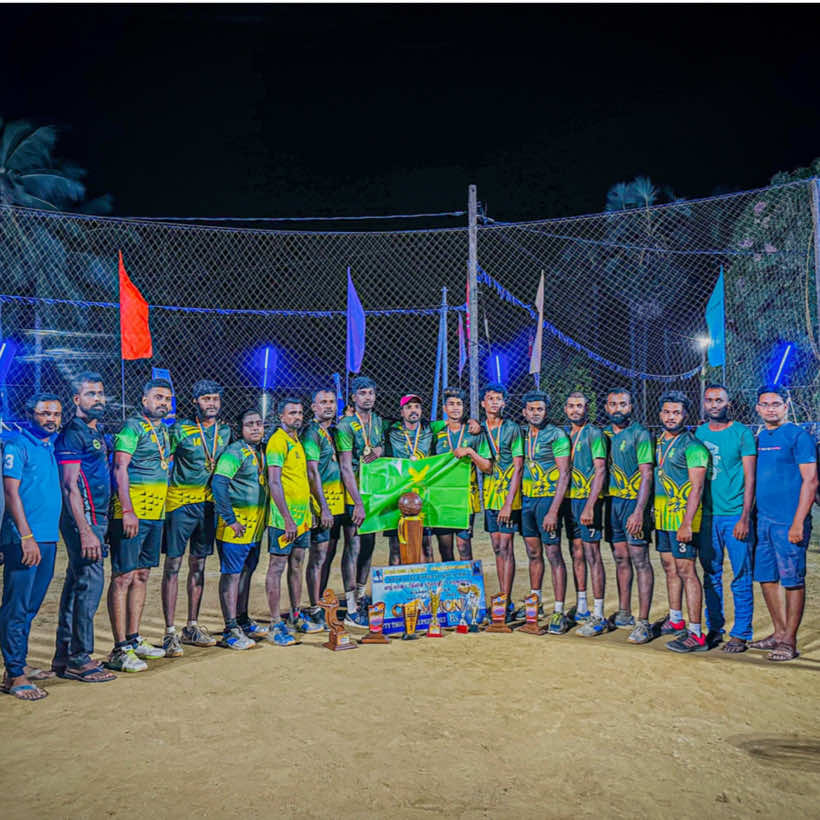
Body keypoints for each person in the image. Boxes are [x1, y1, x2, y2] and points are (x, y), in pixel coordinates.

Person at [105, 379, 173, 672]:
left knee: (142, 574)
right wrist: (127, 510)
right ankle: (119, 648)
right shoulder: (131, 428)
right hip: (132, 513)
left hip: (155, 513)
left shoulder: (163, 430)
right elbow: (119, 468)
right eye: (158, 397)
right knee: (123, 576)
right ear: (144, 400)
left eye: (167, 399)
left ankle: (133, 639)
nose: (163, 403)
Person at [52, 372, 116, 682]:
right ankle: (80, 658)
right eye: (91, 394)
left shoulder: (96, 431)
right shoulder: (73, 434)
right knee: (89, 584)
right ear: (77, 399)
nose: (98, 399)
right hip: (85, 519)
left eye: (101, 393)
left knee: (78, 582)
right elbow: (69, 486)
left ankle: (64, 655)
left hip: (96, 516)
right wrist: (87, 529)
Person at [161, 380, 231, 656]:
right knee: (173, 566)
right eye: (205, 399)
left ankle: (191, 626)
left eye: (215, 398)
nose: (211, 403)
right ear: (195, 402)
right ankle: (169, 632)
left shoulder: (225, 431)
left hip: (208, 506)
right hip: (180, 504)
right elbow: (163, 459)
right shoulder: (180, 429)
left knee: (198, 565)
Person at [0, 394, 62, 701]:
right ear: (30, 414)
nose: (51, 419)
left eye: (56, 414)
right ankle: (15, 675)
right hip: (24, 540)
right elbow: (11, 493)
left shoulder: (49, 445)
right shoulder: (17, 445)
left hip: (47, 538)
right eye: (44, 413)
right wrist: (26, 536)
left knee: (30, 607)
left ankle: (17, 665)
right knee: (16, 607)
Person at [750, 385, 818, 661]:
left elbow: (810, 481)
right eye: (765, 404)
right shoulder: (760, 437)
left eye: (776, 404)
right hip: (763, 521)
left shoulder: (798, 436)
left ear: (785, 406)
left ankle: (790, 640)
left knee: (791, 580)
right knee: (766, 577)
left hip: (788, 522)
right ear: (758, 408)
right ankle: (778, 632)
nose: (770, 409)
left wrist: (798, 522)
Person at [696, 384, 756, 652]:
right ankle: (714, 628)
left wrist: (745, 516)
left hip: (734, 515)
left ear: (728, 403)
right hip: (708, 516)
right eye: (709, 400)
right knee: (711, 575)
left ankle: (741, 633)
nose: (714, 404)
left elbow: (750, 478)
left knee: (741, 575)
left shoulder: (742, 433)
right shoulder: (699, 433)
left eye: (719, 400)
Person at [653, 391, 710, 653]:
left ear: (685, 415)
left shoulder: (693, 446)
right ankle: (676, 619)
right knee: (669, 567)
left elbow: (697, 488)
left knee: (687, 571)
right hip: (663, 517)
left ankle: (696, 633)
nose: (671, 417)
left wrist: (687, 523)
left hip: (682, 519)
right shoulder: (659, 441)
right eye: (667, 412)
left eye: (676, 412)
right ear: (660, 413)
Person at [212, 408, 269, 650]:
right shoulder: (234, 452)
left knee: (246, 572)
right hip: (235, 528)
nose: (256, 428)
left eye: (259, 423)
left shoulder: (261, 451)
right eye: (250, 424)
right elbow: (219, 484)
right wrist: (230, 518)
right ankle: (230, 629)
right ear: (240, 429)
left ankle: (243, 620)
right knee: (232, 575)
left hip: (254, 528)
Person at [602, 388, 655, 643]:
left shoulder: (640, 434)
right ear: (606, 407)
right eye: (613, 404)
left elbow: (647, 473)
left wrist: (639, 511)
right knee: (621, 557)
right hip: (613, 503)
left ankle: (643, 622)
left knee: (640, 559)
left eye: (623, 404)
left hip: (633, 504)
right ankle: (624, 613)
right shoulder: (603, 435)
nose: (618, 408)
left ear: (631, 407)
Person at [518, 392, 571, 633]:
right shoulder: (523, 434)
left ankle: (559, 611)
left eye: (540, 409)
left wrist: (553, 511)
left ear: (546, 411)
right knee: (533, 552)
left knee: (553, 554)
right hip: (527, 500)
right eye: (531, 409)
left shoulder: (556, 435)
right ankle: (535, 603)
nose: (536, 413)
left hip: (547, 501)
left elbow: (564, 473)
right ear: (524, 412)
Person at [335, 376, 384, 629]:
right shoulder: (345, 425)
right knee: (353, 545)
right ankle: (351, 606)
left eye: (371, 393)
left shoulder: (377, 421)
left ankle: (362, 597)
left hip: (372, 491)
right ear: (353, 397)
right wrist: (357, 503)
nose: (368, 397)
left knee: (369, 544)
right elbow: (345, 465)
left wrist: (379, 451)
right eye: (362, 393)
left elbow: (380, 446)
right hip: (353, 494)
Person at [265, 397, 314, 646]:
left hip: (302, 518)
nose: (297, 417)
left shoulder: (297, 440)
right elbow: (274, 482)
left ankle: (295, 615)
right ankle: (275, 623)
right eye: (292, 413)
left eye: (300, 413)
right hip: (283, 520)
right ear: (281, 417)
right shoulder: (277, 441)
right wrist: (287, 519)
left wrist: (307, 513)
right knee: (277, 566)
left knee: (297, 565)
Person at [561, 391, 609, 637]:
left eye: (580, 406)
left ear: (587, 408)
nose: (575, 410)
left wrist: (591, 505)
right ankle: (581, 606)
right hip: (569, 500)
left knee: (592, 553)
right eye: (571, 406)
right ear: (565, 409)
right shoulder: (563, 434)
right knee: (576, 552)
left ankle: (598, 613)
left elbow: (600, 470)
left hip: (587, 501)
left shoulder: (594, 434)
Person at [480, 383, 524, 621]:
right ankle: (501, 598)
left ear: (504, 403)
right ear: (483, 403)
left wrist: (508, 503)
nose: (495, 402)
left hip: (509, 498)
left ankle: (505, 602)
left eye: (498, 399)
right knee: (497, 547)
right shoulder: (479, 429)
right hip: (490, 496)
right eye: (490, 398)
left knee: (506, 547)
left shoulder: (512, 428)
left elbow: (518, 467)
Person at [303, 388, 345, 630]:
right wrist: (324, 508)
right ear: (313, 407)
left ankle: (320, 602)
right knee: (318, 557)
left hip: (336, 502)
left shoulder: (332, 431)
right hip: (322, 505)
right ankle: (314, 608)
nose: (328, 406)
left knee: (327, 554)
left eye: (331, 402)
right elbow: (312, 471)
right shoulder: (312, 432)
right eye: (323, 402)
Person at [432, 387, 491, 561]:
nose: (455, 408)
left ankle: (469, 578)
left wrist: (471, 452)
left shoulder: (473, 432)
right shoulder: (436, 430)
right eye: (451, 404)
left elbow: (487, 467)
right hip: (441, 498)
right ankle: (450, 579)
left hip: (465, 499)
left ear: (464, 407)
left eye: (459, 404)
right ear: (444, 408)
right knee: (445, 548)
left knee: (464, 546)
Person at [385, 393, 434, 564]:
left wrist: (472, 423)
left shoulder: (430, 429)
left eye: (417, 407)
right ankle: (395, 581)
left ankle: (427, 580)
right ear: (401, 412)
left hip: (423, 493)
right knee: (396, 545)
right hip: (397, 493)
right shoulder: (391, 430)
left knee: (426, 544)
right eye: (408, 407)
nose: (413, 410)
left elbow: (454, 423)